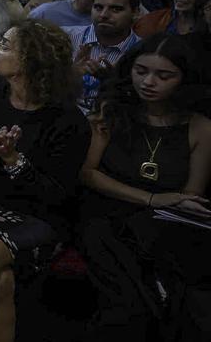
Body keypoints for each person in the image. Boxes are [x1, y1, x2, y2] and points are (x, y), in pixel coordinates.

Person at [0, 20, 87, 342]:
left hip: (38, 217)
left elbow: (57, 196)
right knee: (0, 278)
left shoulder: (68, 120)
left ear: (31, 61)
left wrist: (14, 162)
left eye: (5, 46)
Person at [79, 34, 211, 340]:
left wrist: (171, 204)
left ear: (184, 79)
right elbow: (88, 173)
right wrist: (152, 198)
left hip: (161, 223)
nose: (148, 82)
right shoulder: (111, 109)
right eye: (141, 71)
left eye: (163, 76)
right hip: (106, 211)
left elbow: (189, 195)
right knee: (131, 301)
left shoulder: (200, 127)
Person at [63, 0, 142, 115]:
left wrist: (115, 83)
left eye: (116, 9)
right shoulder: (65, 38)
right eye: (98, 7)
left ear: (135, 13)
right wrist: (70, 75)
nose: (104, 15)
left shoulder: (143, 51)